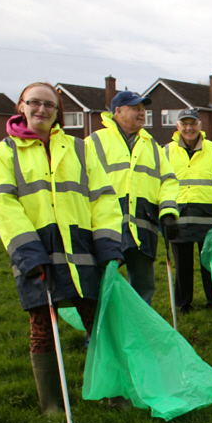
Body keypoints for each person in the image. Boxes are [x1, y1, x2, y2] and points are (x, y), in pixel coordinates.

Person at [0, 82, 122, 413]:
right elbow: (4, 204)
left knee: (100, 322)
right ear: (21, 106)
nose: (41, 109)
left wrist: (107, 246)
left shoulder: (80, 148)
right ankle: (53, 406)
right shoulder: (6, 151)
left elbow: (103, 198)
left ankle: (113, 393)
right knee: (42, 326)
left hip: (82, 251)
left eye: (49, 105)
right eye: (34, 103)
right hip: (38, 253)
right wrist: (28, 255)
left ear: (57, 111)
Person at [86, 90, 179, 306]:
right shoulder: (95, 142)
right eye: (135, 108)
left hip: (142, 227)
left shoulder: (152, 146)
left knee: (144, 287)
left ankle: (139, 337)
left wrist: (167, 212)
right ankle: (101, 336)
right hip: (105, 228)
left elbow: (168, 181)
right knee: (101, 285)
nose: (141, 113)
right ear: (117, 111)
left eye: (143, 109)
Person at [164, 108, 212, 312]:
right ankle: (183, 304)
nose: (189, 128)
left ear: (200, 126)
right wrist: (165, 214)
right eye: (184, 123)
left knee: (209, 263)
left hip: (208, 218)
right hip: (178, 218)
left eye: (193, 123)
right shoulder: (165, 151)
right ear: (177, 127)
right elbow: (159, 185)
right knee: (181, 266)